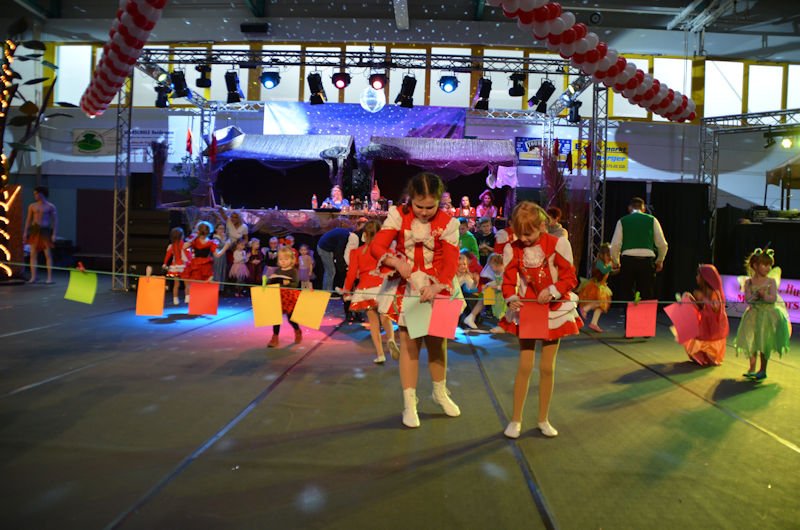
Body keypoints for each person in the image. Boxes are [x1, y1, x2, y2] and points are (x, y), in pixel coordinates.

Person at [371, 172, 462, 428]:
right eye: (418, 206)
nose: (423, 212)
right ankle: (410, 404)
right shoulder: (398, 215)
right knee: (410, 345)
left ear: (440, 201)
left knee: (438, 343)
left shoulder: (449, 223)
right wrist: (395, 261)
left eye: (430, 207)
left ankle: (439, 393)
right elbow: (377, 246)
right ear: (410, 199)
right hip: (408, 286)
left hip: (439, 286)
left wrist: (438, 285)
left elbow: (451, 261)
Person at [500, 201, 582, 439]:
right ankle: (516, 419)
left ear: (542, 226)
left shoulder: (558, 244)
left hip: (554, 310)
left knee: (547, 367)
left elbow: (570, 278)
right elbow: (508, 281)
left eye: (529, 234)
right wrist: (511, 297)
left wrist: (553, 290)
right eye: (520, 234)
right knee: (525, 366)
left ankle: (543, 419)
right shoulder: (512, 248)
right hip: (528, 310)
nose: (524, 239)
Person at [342, 220, 398, 363]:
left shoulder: (357, 252)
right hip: (382, 287)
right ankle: (391, 339)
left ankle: (380, 354)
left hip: (365, 289)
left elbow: (351, 274)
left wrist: (346, 290)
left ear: (365, 235)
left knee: (373, 323)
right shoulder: (387, 252)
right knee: (385, 317)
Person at [734, 248, 791, 381]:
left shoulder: (770, 281)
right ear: (755, 266)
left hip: (767, 315)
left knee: (764, 342)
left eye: (769, 265)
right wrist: (754, 296)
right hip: (753, 314)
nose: (768, 268)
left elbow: (773, 298)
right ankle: (752, 367)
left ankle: (763, 369)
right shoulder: (749, 282)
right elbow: (748, 299)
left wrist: (764, 295)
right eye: (765, 265)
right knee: (753, 341)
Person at [610, 197, 667, 302]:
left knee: (627, 294)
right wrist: (660, 260)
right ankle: (646, 313)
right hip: (647, 262)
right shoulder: (652, 220)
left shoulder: (622, 221)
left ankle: (628, 312)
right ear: (643, 208)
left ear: (629, 208)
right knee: (647, 295)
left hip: (628, 261)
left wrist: (616, 261)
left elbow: (615, 245)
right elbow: (662, 244)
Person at [679, 264, 729, 366]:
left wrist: (703, 299)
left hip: (713, 327)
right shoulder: (702, 293)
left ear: (705, 278)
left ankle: (709, 354)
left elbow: (715, 309)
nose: (696, 277)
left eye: (698, 275)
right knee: (686, 296)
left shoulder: (715, 293)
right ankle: (700, 353)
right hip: (704, 324)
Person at [182, 221, 229, 303]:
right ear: (209, 231)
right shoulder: (211, 242)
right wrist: (225, 247)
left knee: (196, 285)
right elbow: (217, 255)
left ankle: (195, 302)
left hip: (195, 264)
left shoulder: (195, 241)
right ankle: (202, 303)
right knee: (204, 284)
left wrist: (187, 258)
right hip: (205, 265)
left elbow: (183, 247)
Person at [266, 247, 303, 348]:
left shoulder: (293, 271)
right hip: (278, 297)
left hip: (289, 298)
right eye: (281, 259)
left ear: (292, 260)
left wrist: (288, 283)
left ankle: (297, 330)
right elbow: (271, 282)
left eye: (286, 259)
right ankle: (275, 337)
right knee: (276, 318)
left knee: (290, 318)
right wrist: (269, 280)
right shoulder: (277, 270)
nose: (283, 261)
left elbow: (295, 284)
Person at [24, 186, 58, 284]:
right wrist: (25, 232)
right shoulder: (32, 206)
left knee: (48, 254)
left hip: (45, 230)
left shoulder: (50, 206)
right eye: (34, 194)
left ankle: (49, 278)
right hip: (35, 230)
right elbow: (28, 220)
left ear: (41, 194)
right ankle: (33, 277)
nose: (35, 195)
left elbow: (55, 221)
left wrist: (54, 234)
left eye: (36, 193)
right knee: (33, 254)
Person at [462, 252, 505, 331]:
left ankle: (504, 324)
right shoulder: (495, 272)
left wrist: (497, 287)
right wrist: (488, 285)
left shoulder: (506, 271)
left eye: (493, 266)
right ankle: (471, 316)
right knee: (486, 293)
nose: (492, 269)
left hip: (506, 293)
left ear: (498, 264)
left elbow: (509, 285)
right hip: (497, 291)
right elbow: (494, 281)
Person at [577, 243, 614, 332]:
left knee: (601, 306)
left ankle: (594, 323)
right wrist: (611, 266)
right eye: (608, 255)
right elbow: (604, 270)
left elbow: (610, 271)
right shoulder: (599, 262)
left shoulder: (607, 263)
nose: (609, 257)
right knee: (599, 302)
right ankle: (584, 309)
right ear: (603, 254)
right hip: (596, 286)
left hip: (602, 286)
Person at [162, 227, 189, 305]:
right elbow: (188, 255)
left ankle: (175, 299)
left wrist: (165, 263)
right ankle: (187, 298)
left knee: (176, 284)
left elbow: (167, 256)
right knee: (187, 284)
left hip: (175, 267)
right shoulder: (184, 245)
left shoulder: (171, 246)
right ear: (182, 236)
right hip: (183, 266)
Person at [211, 222, 229, 292]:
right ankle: (215, 289)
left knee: (222, 271)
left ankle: (220, 288)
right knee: (217, 271)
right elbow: (219, 246)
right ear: (216, 229)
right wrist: (225, 241)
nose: (222, 230)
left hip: (223, 257)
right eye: (220, 228)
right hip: (217, 257)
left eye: (223, 229)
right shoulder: (215, 238)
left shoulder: (223, 237)